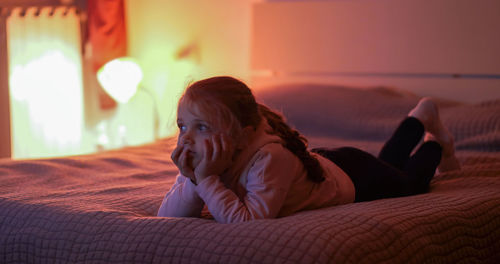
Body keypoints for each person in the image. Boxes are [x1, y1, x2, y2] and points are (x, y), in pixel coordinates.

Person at [157, 76, 461, 223]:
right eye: (183, 126)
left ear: (242, 135)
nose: (186, 139)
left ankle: (435, 141)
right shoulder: (203, 158)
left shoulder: (270, 158)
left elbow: (250, 224)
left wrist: (207, 180)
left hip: (355, 177)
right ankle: (419, 117)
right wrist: (194, 179)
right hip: (326, 166)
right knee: (390, 163)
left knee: (408, 183)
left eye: (202, 127)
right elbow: (168, 217)